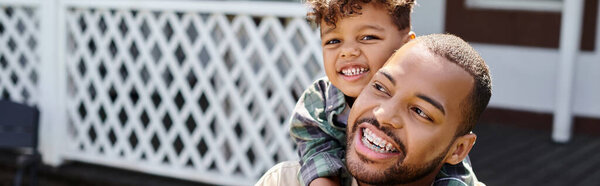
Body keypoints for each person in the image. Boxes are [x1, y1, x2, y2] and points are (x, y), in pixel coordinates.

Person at [257, 33, 491, 186]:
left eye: (420, 111)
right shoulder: (284, 181)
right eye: (380, 87)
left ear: (458, 150)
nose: (383, 114)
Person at [288, 0, 477, 185]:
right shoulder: (321, 99)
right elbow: (315, 148)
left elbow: (455, 173)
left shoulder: (433, 99)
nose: (347, 52)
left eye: (368, 37)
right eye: (333, 41)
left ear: (406, 46)